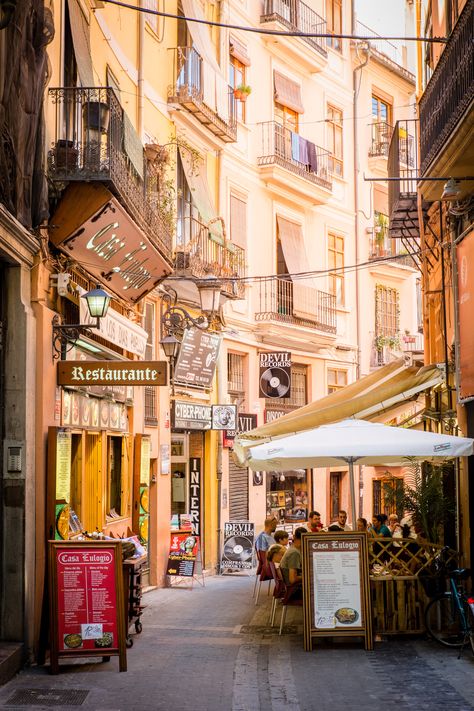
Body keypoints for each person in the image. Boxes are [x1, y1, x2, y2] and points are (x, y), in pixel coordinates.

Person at [279, 526, 306, 592]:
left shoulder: (293, 548)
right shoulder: (294, 553)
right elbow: (292, 579)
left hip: (291, 587)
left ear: (294, 537)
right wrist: (307, 576)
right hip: (294, 589)